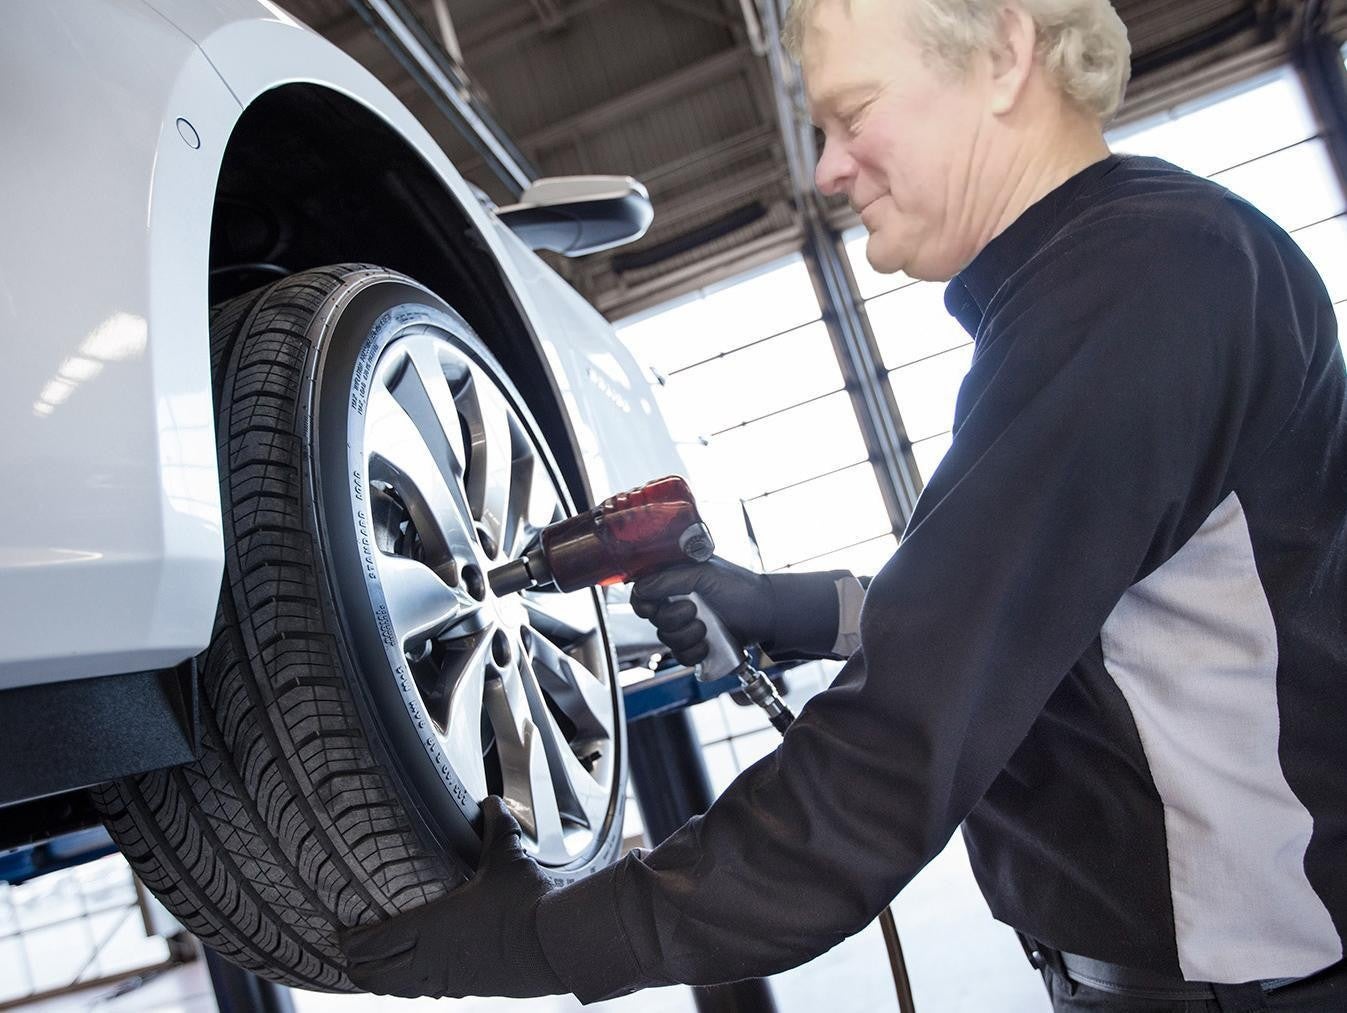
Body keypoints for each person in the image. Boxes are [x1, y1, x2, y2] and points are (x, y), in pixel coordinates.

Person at [339, 0, 1347, 1008]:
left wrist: (550, 940)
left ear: (1003, 56)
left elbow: (894, 755)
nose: (824, 169)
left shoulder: (1138, 291)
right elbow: (1055, 622)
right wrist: (795, 607)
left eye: (853, 115)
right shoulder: (1120, 275)